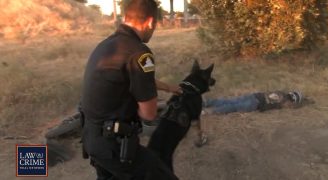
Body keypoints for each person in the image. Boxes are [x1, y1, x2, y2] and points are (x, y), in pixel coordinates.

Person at [80, 0, 180, 179]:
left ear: (126, 17)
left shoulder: (107, 45)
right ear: (150, 22)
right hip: (114, 146)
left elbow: (133, 79)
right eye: (155, 24)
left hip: (91, 138)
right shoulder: (139, 53)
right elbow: (148, 114)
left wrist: (170, 88)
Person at [203, 90, 304, 114]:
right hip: (256, 104)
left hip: (254, 96)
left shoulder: (280, 91)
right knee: (234, 107)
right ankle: (209, 112)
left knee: (230, 101)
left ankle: (207, 103)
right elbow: (291, 106)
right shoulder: (284, 103)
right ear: (293, 101)